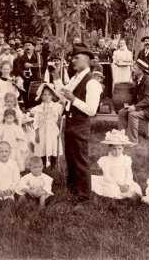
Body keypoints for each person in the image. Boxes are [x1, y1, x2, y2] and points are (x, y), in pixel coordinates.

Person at [60, 43, 102, 205]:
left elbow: (91, 110)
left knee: (80, 158)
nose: (72, 61)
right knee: (70, 157)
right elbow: (64, 94)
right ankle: (72, 188)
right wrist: (57, 79)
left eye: (76, 58)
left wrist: (73, 99)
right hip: (70, 122)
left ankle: (84, 196)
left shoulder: (92, 83)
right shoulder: (75, 78)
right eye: (72, 58)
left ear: (86, 59)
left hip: (80, 124)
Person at [118, 59, 149, 145]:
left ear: (141, 70)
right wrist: (130, 105)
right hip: (143, 107)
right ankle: (121, 137)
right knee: (122, 112)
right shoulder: (138, 79)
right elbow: (137, 97)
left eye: (135, 68)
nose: (132, 69)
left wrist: (135, 107)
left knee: (133, 114)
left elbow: (148, 100)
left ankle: (132, 141)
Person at [91, 129, 142, 199]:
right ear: (109, 148)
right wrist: (118, 185)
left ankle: (127, 192)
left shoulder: (126, 159)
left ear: (123, 148)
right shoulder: (106, 160)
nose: (117, 151)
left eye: (119, 148)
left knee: (134, 188)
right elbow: (107, 175)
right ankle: (118, 193)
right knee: (111, 190)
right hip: (111, 182)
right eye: (114, 149)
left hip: (124, 181)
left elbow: (129, 173)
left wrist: (127, 184)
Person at [30, 83, 63, 169]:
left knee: (53, 147)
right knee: (42, 147)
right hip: (42, 131)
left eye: (49, 94)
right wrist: (36, 133)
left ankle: (53, 165)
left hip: (52, 130)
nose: (47, 96)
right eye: (44, 94)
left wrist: (60, 129)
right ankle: (43, 165)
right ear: (41, 96)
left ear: (52, 96)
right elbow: (36, 121)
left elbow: (61, 117)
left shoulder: (56, 106)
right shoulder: (38, 108)